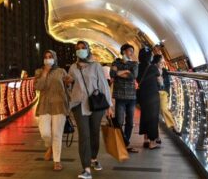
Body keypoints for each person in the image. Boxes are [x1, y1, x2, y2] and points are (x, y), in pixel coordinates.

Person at [64, 41, 113, 179]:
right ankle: (86, 169)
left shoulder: (96, 66)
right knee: (84, 135)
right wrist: (68, 83)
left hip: (95, 105)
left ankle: (93, 158)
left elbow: (103, 85)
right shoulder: (73, 67)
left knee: (94, 133)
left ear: (88, 49)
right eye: (78, 49)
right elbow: (70, 87)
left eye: (83, 48)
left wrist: (109, 106)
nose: (80, 50)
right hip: (79, 105)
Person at [34, 50, 69, 171]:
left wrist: (69, 82)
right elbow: (38, 87)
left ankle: (57, 161)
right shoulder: (39, 72)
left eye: (50, 57)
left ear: (55, 58)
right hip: (44, 105)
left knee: (57, 134)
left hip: (59, 105)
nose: (48, 59)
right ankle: (50, 146)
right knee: (45, 133)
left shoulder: (61, 71)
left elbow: (67, 86)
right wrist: (45, 72)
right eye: (46, 57)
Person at [110, 43, 139, 153]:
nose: (131, 53)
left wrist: (119, 73)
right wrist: (126, 71)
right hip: (119, 96)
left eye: (132, 51)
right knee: (119, 121)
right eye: (129, 51)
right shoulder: (115, 62)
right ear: (123, 51)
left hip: (131, 96)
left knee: (130, 122)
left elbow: (133, 76)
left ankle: (125, 142)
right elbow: (112, 73)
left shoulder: (134, 64)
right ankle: (123, 143)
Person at [137, 47, 161, 150]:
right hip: (152, 95)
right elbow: (159, 80)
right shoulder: (153, 67)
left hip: (142, 94)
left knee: (144, 116)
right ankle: (152, 142)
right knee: (153, 118)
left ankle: (145, 139)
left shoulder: (137, 67)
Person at [152, 55, 181, 136]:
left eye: (162, 62)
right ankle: (154, 137)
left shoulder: (164, 71)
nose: (162, 63)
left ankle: (174, 126)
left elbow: (167, 83)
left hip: (163, 93)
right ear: (156, 62)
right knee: (153, 115)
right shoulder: (152, 70)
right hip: (153, 92)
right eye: (160, 62)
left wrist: (167, 92)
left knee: (164, 109)